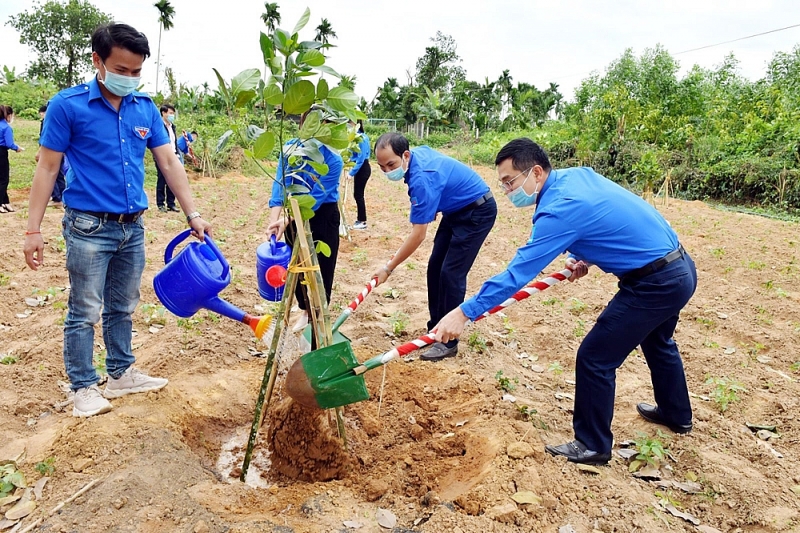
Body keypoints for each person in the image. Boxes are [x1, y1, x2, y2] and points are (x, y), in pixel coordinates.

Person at [433, 138, 697, 465]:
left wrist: (463, 312)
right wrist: (579, 255)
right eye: (502, 184)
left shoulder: (559, 208)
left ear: (537, 173)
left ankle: (593, 445)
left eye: (510, 182)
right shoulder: (576, 177)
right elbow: (603, 218)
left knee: (595, 357)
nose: (507, 190)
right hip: (680, 268)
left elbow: (517, 275)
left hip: (655, 283)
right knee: (658, 340)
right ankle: (676, 414)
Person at [23, 23, 212, 418]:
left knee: (123, 305)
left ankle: (121, 373)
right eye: (121, 70)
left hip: (133, 226)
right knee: (85, 308)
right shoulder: (68, 105)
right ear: (98, 61)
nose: (129, 78)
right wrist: (32, 229)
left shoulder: (144, 108)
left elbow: (168, 161)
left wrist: (192, 213)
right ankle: (83, 386)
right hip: (88, 226)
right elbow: (46, 168)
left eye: (136, 71)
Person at [373, 132, 497, 361]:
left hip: (477, 211)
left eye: (391, 164)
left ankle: (448, 342)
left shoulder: (422, 179)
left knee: (451, 273)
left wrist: (388, 268)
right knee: (434, 267)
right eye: (382, 167)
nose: (388, 171)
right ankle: (436, 328)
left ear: (406, 155)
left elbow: (418, 235)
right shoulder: (415, 161)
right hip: (455, 210)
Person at [267, 111, 343, 333]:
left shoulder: (332, 160)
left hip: (322, 213)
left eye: (322, 126)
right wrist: (275, 221)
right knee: (296, 264)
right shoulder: (290, 150)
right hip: (291, 211)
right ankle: (304, 309)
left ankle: (317, 313)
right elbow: (280, 184)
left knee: (321, 266)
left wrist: (286, 219)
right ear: (302, 126)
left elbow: (315, 199)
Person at [37, 103, 67, 207]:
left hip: (52, 151)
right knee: (59, 175)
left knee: (50, 173)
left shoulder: (46, 121)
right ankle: (62, 197)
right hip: (62, 151)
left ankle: (56, 198)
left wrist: (40, 151)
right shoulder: (62, 120)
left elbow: (45, 138)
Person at [155, 103, 180, 212]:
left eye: (173, 113)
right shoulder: (159, 126)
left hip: (173, 156)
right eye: (170, 113)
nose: (172, 115)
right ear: (163, 113)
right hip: (162, 157)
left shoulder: (172, 126)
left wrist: (177, 153)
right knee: (162, 180)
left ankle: (171, 203)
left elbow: (174, 142)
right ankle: (161, 204)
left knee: (173, 181)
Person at [0, 105, 23, 213]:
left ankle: (6, 202)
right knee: (4, 179)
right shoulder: (6, 127)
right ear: (8, 115)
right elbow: (9, 143)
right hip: (1, 153)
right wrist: (17, 148)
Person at [349, 121, 370, 230]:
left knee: (359, 195)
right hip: (361, 167)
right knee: (357, 194)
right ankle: (360, 219)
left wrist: (351, 172)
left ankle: (362, 221)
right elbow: (354, 155)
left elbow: (361, 158)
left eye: (350, 122)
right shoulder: (357, 137)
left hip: (363, 168)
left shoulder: (361, 138)